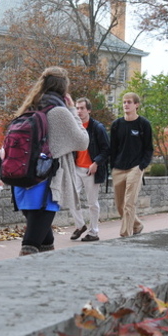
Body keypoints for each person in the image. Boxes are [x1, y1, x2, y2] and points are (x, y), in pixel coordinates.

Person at [0, 66, 89, 256]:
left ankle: (47, 278)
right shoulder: (59, 112)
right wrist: (73, 109)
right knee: (31, 244)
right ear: (64, 89)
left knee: (45, 238)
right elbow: (82, 142)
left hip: (22, 182)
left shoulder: (29, 109)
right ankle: (24, 282)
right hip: (45, 186)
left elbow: (5, 147)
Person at [110, 93, 153, 237]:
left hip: (135, 168)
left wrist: (142, 166)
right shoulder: (117, 125)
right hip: (118, 168)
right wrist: (112, 166)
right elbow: (113, 148)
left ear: (136, 105)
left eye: (129, 102)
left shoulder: (144, 124)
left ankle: (125, 235)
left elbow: (149, 148)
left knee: (129, 203)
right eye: (124, 102)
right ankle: (137, 225)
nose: (126, 105)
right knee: (120, 206)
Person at [68, 97, 110, 242]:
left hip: (91, 170)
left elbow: (106, 149)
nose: (79, 111)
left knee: (92, 203)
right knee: (71, 198)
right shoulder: (75, 127)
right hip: (76, 169)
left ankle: (94, 232)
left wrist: (96, 163)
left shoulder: (97, 127)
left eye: (82, 108)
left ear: (89, 110)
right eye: (77, 108)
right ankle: (80, 226)